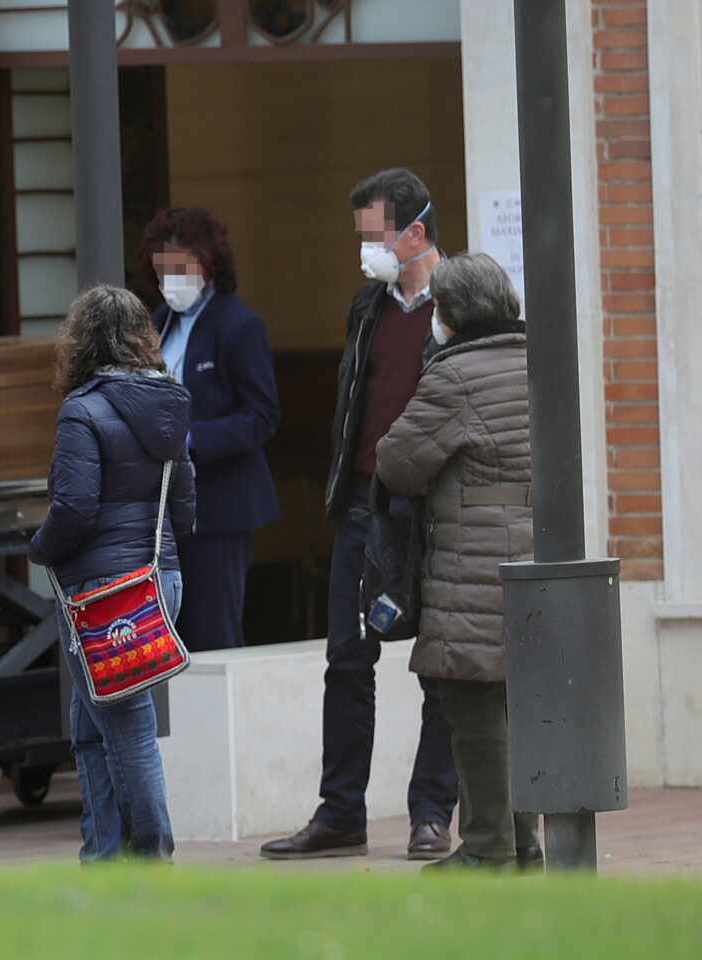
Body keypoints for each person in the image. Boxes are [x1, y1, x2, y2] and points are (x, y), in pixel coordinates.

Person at [262, 168, 458, 861]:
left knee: (443, 663)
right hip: (361, 509)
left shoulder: (459, 307)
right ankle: (340, 811)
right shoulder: (366, 308)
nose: (366, 250)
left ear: (415, 232)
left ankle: (431, 813)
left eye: (375, 236)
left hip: (435, 514)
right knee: (346, 657)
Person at [375, 252, 542, 871]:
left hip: (473, 569)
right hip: (535, 566)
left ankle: (487, 849)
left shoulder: (455, 377)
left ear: (453, 313)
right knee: (517, 711)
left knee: (474, 715)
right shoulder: (539, 361)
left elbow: (397, 462)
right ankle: (524, 846)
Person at [28, 284, 197, 862]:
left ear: (81, 340)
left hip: (104, 594)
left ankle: (151, 858)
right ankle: (102, 855)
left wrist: (40, 548)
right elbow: (187, 501)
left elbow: (75, 508)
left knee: (127, 729)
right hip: (157, 580)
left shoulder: (82, 410)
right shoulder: (170, 402)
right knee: (89, 726)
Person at [138, 208, 278, 651]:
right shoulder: (157, 322)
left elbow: (262, 415)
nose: (171, 280)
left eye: (181, 268)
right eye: (163, 270)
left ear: (208, 263)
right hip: (162, 505)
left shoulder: (239, 325)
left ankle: (219, 723)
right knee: (166, 630)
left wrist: (193, 437)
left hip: (220, 505)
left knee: (213, 630)